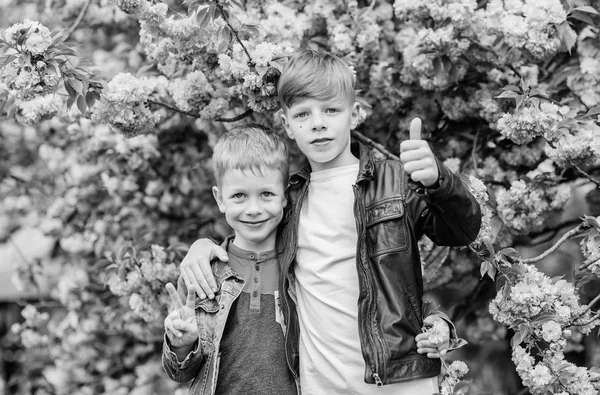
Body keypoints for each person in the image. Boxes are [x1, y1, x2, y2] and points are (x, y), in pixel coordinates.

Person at [179, 49, 482, 394]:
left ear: (353, 115)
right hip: (321, 384)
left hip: (398, 380)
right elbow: (249, 241)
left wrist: (438, 181)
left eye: (331, 110)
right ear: (287, 125)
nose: (318, 123)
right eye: (303, 113)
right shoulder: (289, 200)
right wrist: (203, 248)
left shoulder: (395, 183)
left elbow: (462, 230)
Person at [162, 124, 297, 394]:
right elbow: (181, 372)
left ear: (284, 195)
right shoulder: (203, 275)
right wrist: (181, 344)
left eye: (266, 194)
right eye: (239, 196)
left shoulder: (299, 266)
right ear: (220, 199)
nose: (254, 209)